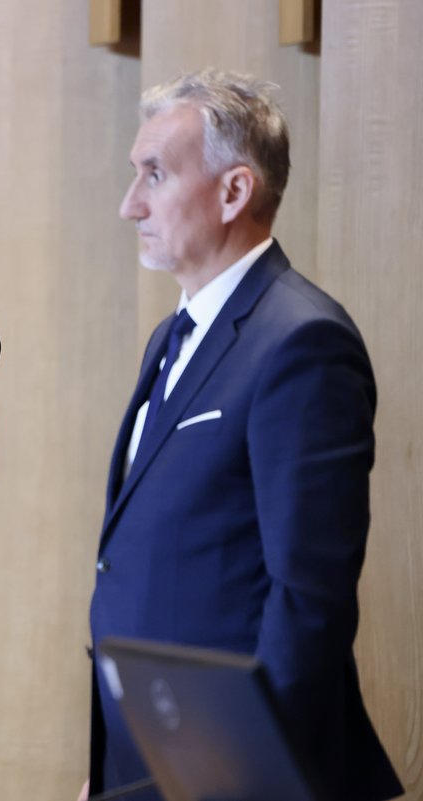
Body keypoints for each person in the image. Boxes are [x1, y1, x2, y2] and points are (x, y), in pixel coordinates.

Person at [87, 69, 402, 800]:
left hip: (236, 765)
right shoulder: (170, 335)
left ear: (234, 192)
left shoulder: (303, 342)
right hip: (149, 753)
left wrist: (242, 768)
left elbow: (309, 596)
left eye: (155, 175)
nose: (130, 204)